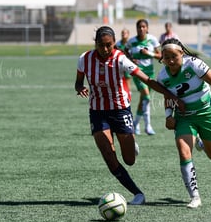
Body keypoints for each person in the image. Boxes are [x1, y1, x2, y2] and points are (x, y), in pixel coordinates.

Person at [75, 26, 184, 205]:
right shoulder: (84, 59)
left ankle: (132, 143)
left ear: (114, 43)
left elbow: (146, 80)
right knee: (109, 156)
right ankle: (137, 193)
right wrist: (81, 88)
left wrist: (171, 96)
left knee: (129, 160)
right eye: (101, 45)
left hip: (120, 110)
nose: (105, 49)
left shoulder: (120, 59)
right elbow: (78, 83)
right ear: (95, 43)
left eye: (109, 45)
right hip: (97, 112)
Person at [157, 38, 211, 209]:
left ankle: (200, 141)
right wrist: (168, 115)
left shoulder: (194, 64)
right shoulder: (162, 76)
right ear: (162, 57)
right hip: (184, 117)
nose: (170, 61)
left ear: (182, 54)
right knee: (184, 152)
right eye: (166, 57)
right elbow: (168, 96)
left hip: (207, 113)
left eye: (174, 57)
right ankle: (195, 196)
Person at [124, 19, 161, 135]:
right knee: (147, 97)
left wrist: (148, 53)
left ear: (147, 28)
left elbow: (160, 56)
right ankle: (148, 126)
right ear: (136, 28)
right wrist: (130, 59)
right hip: (138, 72)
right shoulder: (132, 41)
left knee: (143, 99)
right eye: (139, 27)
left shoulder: (152, 40)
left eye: (144, 26)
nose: (141, 29)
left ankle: (135, 123)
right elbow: (125, 51)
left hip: (150, 73)